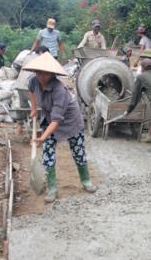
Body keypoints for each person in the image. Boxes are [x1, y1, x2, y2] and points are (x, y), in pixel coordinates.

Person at [23, 52, 96, 203]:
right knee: (48, 155)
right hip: (49, 118)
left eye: (45, 73)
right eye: (38, 72)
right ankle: (52, 188)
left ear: (51, 74)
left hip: (70, 122)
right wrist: (34, 108)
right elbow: (30, 90)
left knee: (78, 151)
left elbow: (57, 120)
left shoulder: (59, 90)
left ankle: (86, 181)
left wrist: (42, 137)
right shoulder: (33, 81)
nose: (41, 76)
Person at [14, 46, 50, 135]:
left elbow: (16, 64)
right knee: (37, 106)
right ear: (42, 52)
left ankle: (20, 126)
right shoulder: (41, 59)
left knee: (23, 106)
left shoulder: (27, 56)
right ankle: (35, 127)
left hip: (19, 84)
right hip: (28, 86)